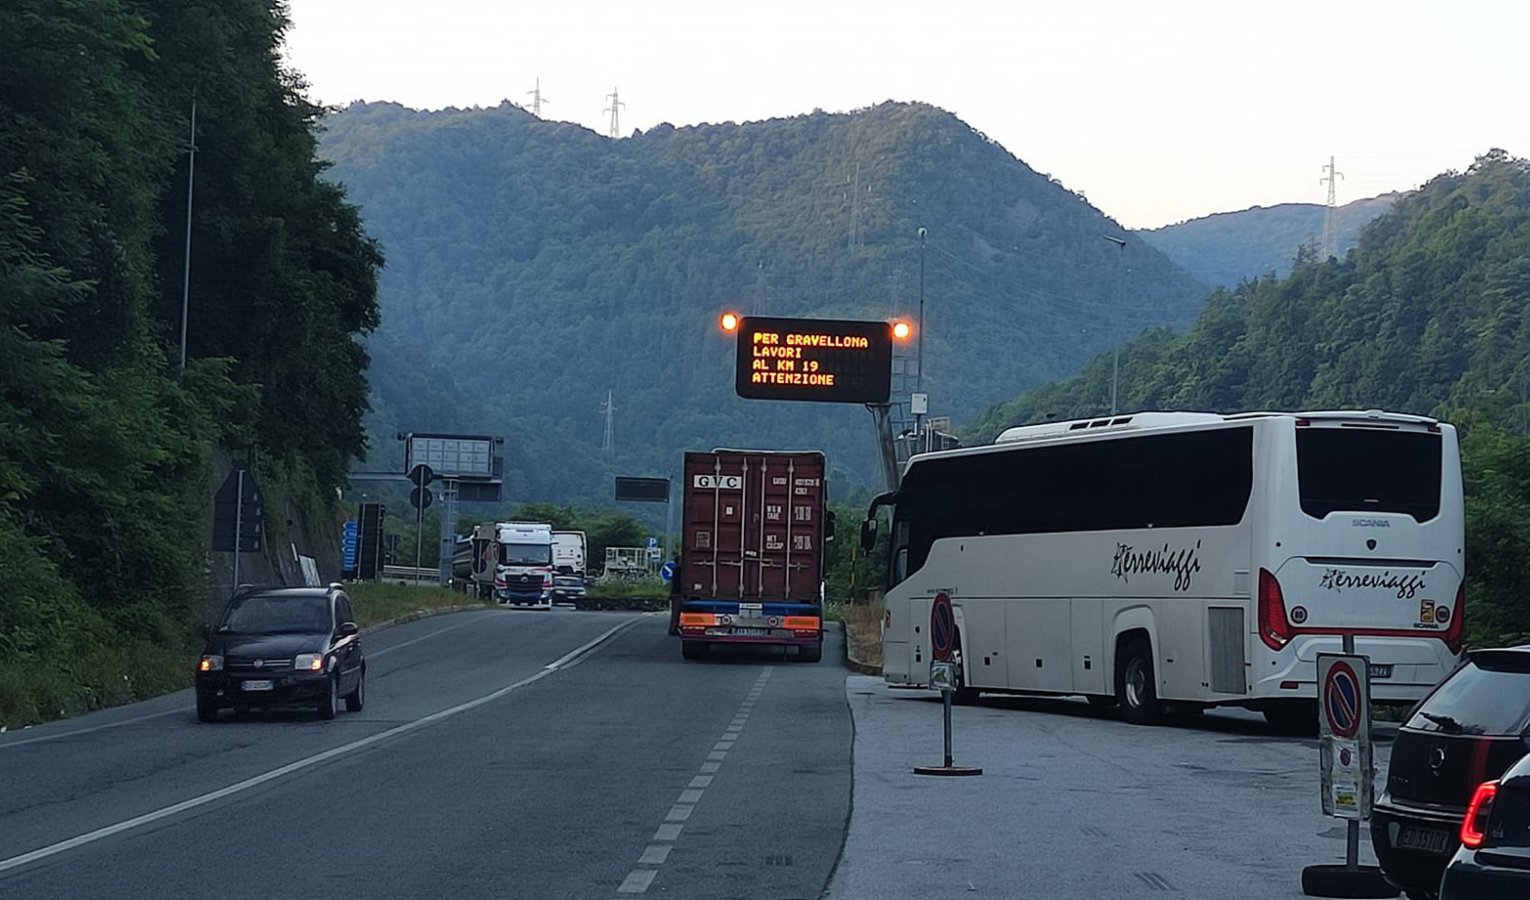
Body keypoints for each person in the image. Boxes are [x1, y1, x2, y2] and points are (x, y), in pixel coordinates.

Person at [667, 549, 683, 635]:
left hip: (676, 594)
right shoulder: (678, 570)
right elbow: (676, 583)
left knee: (676, 613)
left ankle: (674, 627)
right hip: (677, 594)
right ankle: (673, 628)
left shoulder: (676, 570)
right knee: (676, 613)